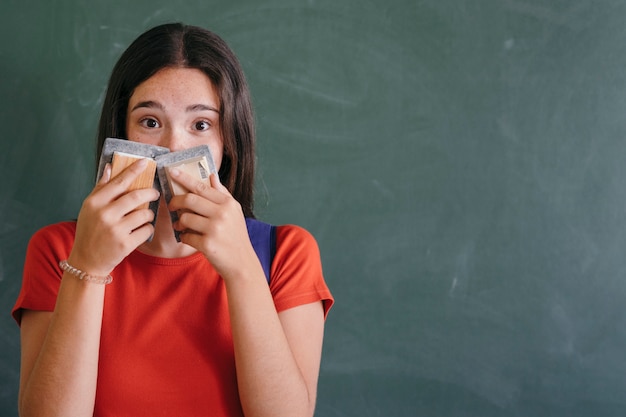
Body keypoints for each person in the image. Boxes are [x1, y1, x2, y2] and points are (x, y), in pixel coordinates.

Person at [12, 23, 333, 417]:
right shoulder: (58, 251)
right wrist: (88, 267)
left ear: (226, 142)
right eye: (150, 122)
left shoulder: (288, 254)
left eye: (201, 125)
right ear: (121, 131)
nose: (173, 147)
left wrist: (242, 268)